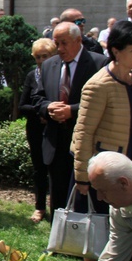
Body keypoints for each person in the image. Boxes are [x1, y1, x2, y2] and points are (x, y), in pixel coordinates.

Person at [71, 21, 132, 261]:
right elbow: (83, 132)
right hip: (101, 166)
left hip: (127, 163)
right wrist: (82, 176)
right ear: (116, 50)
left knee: (122, 223)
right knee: (97, 222)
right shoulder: (99, 84)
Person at [33, 21, 106, 220]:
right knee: (57, 191)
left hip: (84, 142)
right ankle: (58, 235)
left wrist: (71, 111)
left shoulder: (99, 64)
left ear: (78, 40)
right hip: (55, 139)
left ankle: (81, 236)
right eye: (56, 43)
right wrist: (48, 107)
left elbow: (104, 103)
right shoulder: (49, 64)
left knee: (83, 192)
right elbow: (38, 97)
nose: (60, 49)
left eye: (64, 43)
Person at [19, 38, 56, 223]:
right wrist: (40, 111)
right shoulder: (31, 75)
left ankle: (58, 207)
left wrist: (49, 113)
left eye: (45, 56)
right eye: (38, 57)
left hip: (56, 128)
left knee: (56, 169)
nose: (41, 61)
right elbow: (22, 105)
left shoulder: (59, 75)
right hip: (35, 128)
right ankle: (39, 207)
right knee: (39, 169)